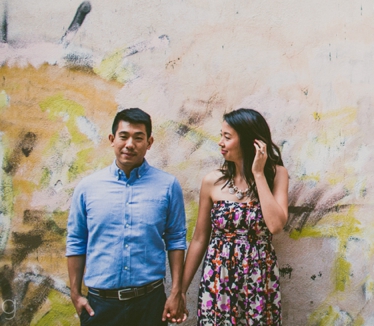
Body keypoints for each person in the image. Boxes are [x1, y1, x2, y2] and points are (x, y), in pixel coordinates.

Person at [66, 108, 187, 325]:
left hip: (150, 305)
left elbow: (176, 239)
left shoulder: (168, 186)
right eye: (124, 136)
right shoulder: (87, 188)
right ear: (112, 139)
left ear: (149, 143)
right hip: (100, 306)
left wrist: (176, 292)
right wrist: (75, 294)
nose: (130, 144)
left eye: (138, 138)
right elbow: (76, 241)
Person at [181, 108, 289, 325]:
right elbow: (200, 238)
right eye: (221, 135)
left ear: (250, 142)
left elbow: (276, 225)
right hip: (218, 279)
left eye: (227, 137)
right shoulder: (212, 181)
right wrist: (180, 291)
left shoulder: (276, 174)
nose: (220, 142)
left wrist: (258, 173)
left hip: (259, 280)